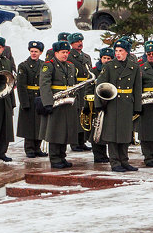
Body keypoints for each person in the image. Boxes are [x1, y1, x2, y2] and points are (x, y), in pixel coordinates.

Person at [95, 39, 142, 172]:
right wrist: (100, 104)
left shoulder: (134, 67)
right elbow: (100, 85)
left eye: (121, 51)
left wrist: (137, 106)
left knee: (125, 134)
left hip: (127, 104)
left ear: (127, 52)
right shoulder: (109, 66)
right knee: (112, 134)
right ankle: (115, 162)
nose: (118, 53)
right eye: (116, 51)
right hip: (112, 103)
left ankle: (124, 161)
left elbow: (137, 88)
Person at [39, 41, 81, 169]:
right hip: (56, 102)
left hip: (67, 103)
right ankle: (55, 158)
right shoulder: (49, 65)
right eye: (62, 52)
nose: (65, 55)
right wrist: (47, 103)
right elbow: (45, 85)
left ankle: (62, 156)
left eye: (67, 52)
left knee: (65, 132)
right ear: (56, 53)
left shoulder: (70, 66)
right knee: (55, 132)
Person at [15, 41, 47, 158]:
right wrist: (24, 102)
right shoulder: (23, 66)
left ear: (40, 52)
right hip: (28, 97)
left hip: (40, 97)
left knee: (39, 124)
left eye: (36, 51)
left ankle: (37, 147)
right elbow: (21, 86)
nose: (33, 53)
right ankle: (29, 149)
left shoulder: (44, 65)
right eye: (32, 51)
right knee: (28, 126)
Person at [66, 33, 95, 153]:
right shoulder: (69, 57)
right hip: (76, 88)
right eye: (77, 41)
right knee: (76, 116)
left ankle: (82, 140)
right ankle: (75, 142)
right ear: (71, 44)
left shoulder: (87, 57)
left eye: (81, 40)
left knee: (85, 114)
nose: (80, 43)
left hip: (86, 88)